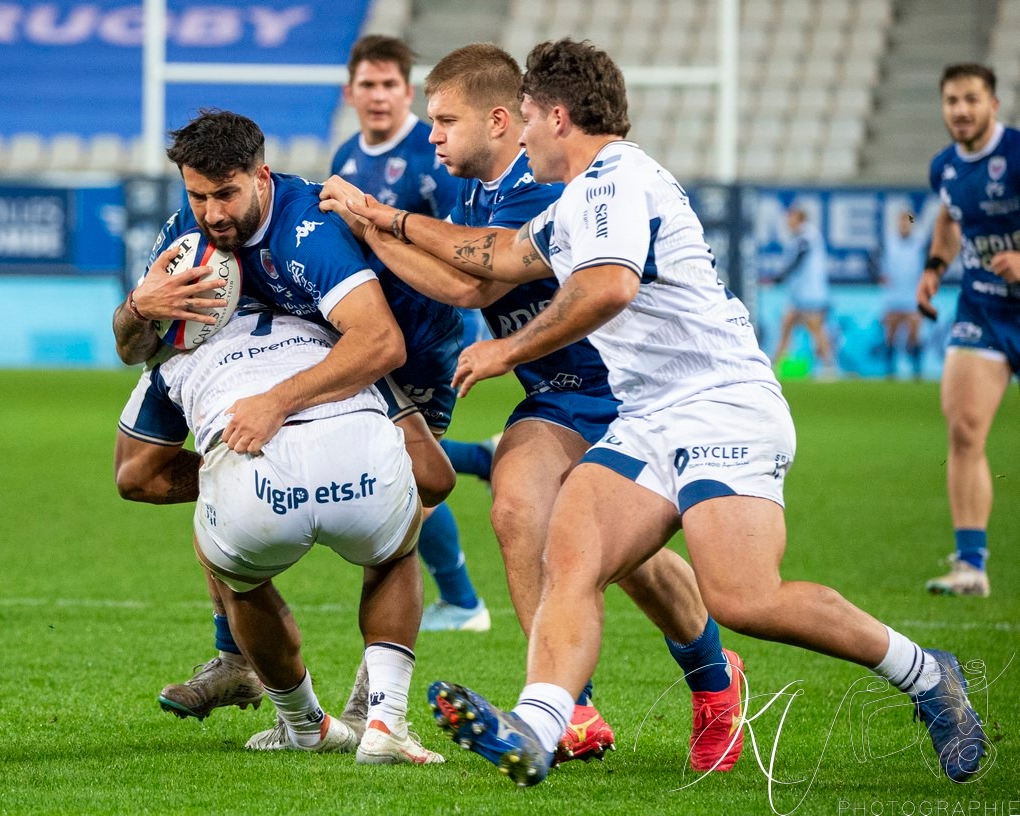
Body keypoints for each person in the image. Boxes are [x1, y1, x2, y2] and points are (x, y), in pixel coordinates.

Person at [338, 38, 986, 787]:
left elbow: (608, 287)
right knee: (571, 556)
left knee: (744, 597)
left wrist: (506, 351)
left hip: (721, 404)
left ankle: (928, 673)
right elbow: (498, 257)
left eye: (527, 117)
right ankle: (540, 727)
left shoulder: (617, 179)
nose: (521, 132)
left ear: (556, 117)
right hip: (647, 416)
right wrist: (386, 220)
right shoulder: (578, 198)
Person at [322, 42, 747, 772]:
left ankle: (715, 680)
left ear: (499, 121)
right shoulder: (473, 188)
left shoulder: (541, 183)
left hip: (626, 390)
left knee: (632, 559)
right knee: (517, 508)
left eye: (445, 121)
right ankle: (569, 709)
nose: (432, 136)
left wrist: (372, 223)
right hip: (555, 393)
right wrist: (374, 227)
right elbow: (455, 267)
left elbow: (471, 286)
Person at [112, 109, 462, 724]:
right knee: (177, 475)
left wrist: (277, 402)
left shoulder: (307, 229)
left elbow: (381, 342)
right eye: (197, 196)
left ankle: (372, 703)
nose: (212, 213)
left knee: (421, 489)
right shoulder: (188, 232)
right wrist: (140, 307)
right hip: (323, 339)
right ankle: (237, 660)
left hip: (409, 343)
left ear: (261, 176)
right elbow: (130, 349)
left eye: (226, 194)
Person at [119, 298, 444, 764]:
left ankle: (303, 723)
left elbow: (135, 478)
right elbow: (437, 477)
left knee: (238, 577)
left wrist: (218, 474)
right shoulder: (346, 337)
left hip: (254, 488)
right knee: (395, 556)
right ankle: (386, 722)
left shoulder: (171, 353)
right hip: (361, 469)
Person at [332, 34, 491, 632]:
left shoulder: (434, 156)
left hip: (430, 335)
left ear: (407, 92)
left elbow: (460, 247)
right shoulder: (346, 153)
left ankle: (462, 602)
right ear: (350, 93)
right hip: (377, 332)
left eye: (389, 85)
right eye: (367, 85)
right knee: (391, 455)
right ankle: (481, 460)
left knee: (404, 467)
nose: (378, 96)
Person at [918, 63, 1020, 597]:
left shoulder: (1018, 155)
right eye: (952, 100)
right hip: (982, 308)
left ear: (993, 105)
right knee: (963, 429)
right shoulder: (946, 168)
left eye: (971, 99)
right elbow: (949, 217)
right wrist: (935, 268)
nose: (961, 110)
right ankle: (970, 566)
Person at [773, 205, 837, 378]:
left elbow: (800, 257)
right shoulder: (795, 237)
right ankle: (775, 366)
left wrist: (782, 275)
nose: (788, 221)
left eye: (791, 217)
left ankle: (829, 366)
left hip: (812, 293)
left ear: (799, 218)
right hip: (798, 294)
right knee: (786, 326)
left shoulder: (808, 234)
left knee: (816, 329)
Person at [879, 210, 927, 380]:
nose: (904, 224)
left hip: (913, 296)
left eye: (908, 221)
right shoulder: (888, 242)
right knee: (891, 334)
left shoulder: (919, 243)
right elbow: (875, 262)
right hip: (893, 296)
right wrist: (880, 276)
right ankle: (890, 370)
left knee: (914, 333)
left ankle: (917, 369)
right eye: (902, 221)